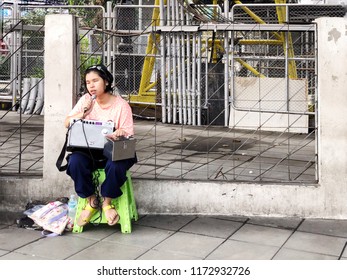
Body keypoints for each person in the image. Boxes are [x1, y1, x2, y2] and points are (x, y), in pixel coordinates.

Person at [64, 64, 137, 227]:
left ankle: (107, 202)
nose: (91, 85)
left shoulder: (121, 106)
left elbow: (128, 133)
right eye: (88, 82)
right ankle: (91, 200)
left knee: (116, 165)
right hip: (89, 151)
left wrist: (119, 132)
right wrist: (83, 113)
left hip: (113, 150)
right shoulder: (85, 100)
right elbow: (67, 123)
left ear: (106, 82)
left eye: (95, 81)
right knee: (75, 162)